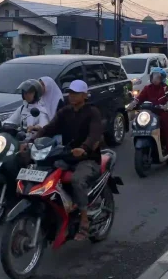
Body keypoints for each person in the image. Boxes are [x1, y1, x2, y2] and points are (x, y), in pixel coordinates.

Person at [34, 80, 103, 241]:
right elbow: (50, 128)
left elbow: (94, 134)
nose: (72, 96)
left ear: (84, 95)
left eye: (76, 93)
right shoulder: (65, 112)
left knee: (77, 180)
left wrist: (84, 148)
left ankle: (84, 220)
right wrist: (32, 141)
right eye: (71, 93)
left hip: (88, 158)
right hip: (67, 156)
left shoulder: (92, 112)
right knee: (45, 174)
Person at [138, 68, 168, 155]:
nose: (155, 79)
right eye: (154, 76)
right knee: (138, 121)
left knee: (167, 125)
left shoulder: (166, 88)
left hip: (162, 112)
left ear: (162, 78)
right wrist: (133, 103)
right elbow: (139, 98)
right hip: (150, 112)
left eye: (158, 77)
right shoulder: (147, 88)